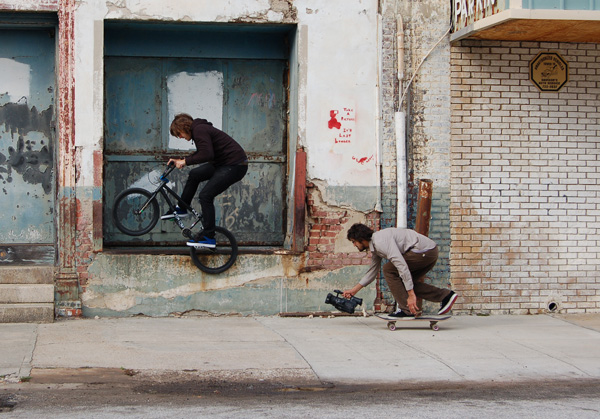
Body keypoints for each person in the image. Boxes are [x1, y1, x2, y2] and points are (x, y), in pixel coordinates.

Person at [164, 113, 248, 249]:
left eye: (179, 134)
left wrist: (184, 161)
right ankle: (182, 207)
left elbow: (207, 154)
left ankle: (208, 236)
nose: (180, 137)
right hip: (222, 163)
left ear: (184, 127)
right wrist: (181, 160)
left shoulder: (199, 130)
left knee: (205, 196)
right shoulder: (199, 130)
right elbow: (203, 153)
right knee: (195, 174)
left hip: (234, 165)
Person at [343, 223, 457, 317]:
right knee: (403, 283)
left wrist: (411, 294)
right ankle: (445, 296)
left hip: (423, 251)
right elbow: (372, 272)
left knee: (388, 269)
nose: (354, 245)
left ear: (361, 238)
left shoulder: (380, 242)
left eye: (354, 241)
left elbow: (401, 265)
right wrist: (354, 290)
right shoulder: (376, 246)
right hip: (428, 252)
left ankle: (406, 310)